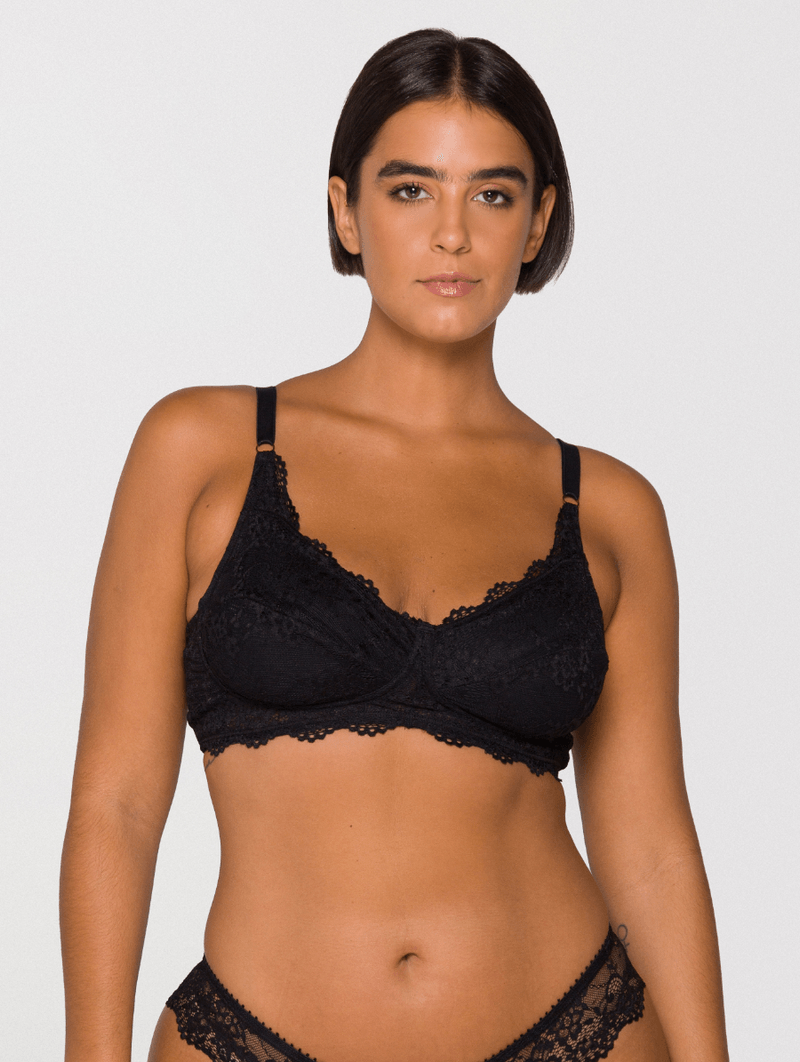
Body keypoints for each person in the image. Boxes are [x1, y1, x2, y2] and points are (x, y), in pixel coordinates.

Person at [60, 27, 729, 1062]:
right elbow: (117, 802)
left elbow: (648, 849)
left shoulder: (606, 509)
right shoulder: (202, 450)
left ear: (537, 221)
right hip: (250, 1035)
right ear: (346, 210)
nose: (451, 235)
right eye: (411, 190)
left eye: (492, 195)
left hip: (575, 1031)